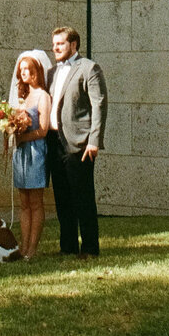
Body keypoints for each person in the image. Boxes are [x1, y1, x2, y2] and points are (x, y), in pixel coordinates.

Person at [46, 26, 107, 259]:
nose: (55, 48)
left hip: (80, 144)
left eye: (60, 44)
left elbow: (99, 105)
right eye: (53, 45)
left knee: (83, 197)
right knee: (62, 197)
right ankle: (68, 246)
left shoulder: (89, 68)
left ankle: (90, 248)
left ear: (73, 44)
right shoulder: (51, 72)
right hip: (54, 142)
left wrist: (94, 141)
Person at [7, 49, 51, 260]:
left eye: (28, 69)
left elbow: (42, 130)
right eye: (21, 69)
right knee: (24, 203)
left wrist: (24, 137)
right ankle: (23, 246)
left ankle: (33, 248)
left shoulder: (42, 95)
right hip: (21, 153)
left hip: (35, 153)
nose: (24, 73)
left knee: (35, 202)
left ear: (36, 71)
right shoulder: (22, 96)